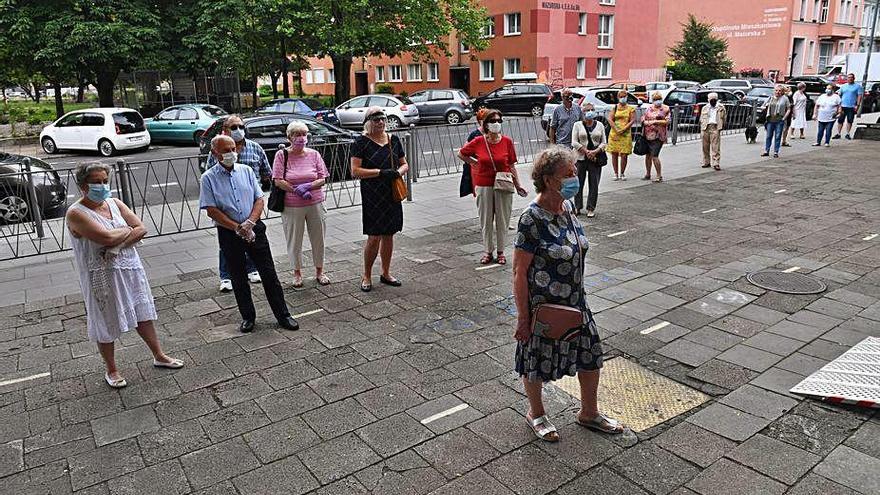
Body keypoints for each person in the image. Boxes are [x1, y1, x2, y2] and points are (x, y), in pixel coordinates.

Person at [513, 146, 624, 442]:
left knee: (591, 354)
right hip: (545, 305)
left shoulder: (568, 207)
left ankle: (589, 412)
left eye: (575, 172)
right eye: (570, 174)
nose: (576, 178)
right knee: (536, 358)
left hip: (577, 301)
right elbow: (518, 272)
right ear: (549, 180)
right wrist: (523, 318)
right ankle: (536, 413)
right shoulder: (531, 219)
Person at [66, 162, 183, 388]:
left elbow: (142, 228)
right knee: (105, 321)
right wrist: (123, 234)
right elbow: (107, 238)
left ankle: (159, 355)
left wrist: (117, 246)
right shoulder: (76, 213)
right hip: (101, 277)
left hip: (130, 268)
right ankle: (112, 369)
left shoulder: (115, 203)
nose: (102, 186)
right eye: (96, 182)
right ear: (83, 186)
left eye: (104, 181)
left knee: (142, 313)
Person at [200, 135, 299, 333]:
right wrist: (237, 227)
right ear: (215, 153)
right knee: (238, 277)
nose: (231, 153)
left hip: (254, 227)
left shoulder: (245, 171)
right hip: (229, 233)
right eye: (226, 150)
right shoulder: (208, 178)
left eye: (233, 149)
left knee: (269, 273)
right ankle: (248, 317)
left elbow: (259, 199)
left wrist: (250, 223)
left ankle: (283, 314)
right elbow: (211, 209)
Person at [207, 115, 272, 292]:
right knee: (227, 244)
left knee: (252, 238)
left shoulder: (255, 148)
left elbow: (267, 172)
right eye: (233, 127)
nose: (238, 130)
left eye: (240, 126)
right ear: (226, 130)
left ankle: (252, 269)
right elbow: (210, 174)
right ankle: (226, 276)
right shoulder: (217, 149)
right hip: (227, 208)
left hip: (252, 205)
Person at [457, 109, 528, 266]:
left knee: (503, 220)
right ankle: (488, 251)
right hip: (484, 184)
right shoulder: (479, 141)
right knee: (486, 220)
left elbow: (511, 165)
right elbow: (461, 154)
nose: (496, 124)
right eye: (493, 121)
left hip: (503, 184)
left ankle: (501, 252)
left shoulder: (507, 142)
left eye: (499, 121)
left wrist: (518, 185)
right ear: (486, 124)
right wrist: (474, 162)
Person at [350, 106, 409, 292]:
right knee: (374, 236)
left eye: (383, 118)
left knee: (389, 234)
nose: (381, 122)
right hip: (372, 193)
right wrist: (380, 173)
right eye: (376, 120)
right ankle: (366, 275)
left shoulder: (393, 140)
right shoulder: (360, 143)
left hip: (391, 192)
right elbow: (355, 171)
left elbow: (404, 164)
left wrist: (397, 173)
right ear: (368, 123)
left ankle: (386, 272)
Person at [272, 120, 330, 288]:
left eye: (304, 134)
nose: (301, 138)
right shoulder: (282, 155)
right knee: (294, 240)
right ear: (289, 137)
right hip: (292, 205)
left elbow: (322, 178)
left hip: (315, 202)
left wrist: (309, 186)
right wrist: (295, 190)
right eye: (297, 135)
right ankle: (297, 272)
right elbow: (278, 180)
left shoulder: (314, 154)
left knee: (319, 239)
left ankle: (320, 270)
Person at [570, 103, 606, 217]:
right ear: (583, 112)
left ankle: (591, 208)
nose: (590, 112)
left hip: (595, 158)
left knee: (594, 184)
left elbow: (604, 142)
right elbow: (574, 142)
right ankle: (577, 207)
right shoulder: (577, 125)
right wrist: (586, 151)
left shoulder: (600, 125)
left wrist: (595, 151)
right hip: (580, 158)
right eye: (587, 110)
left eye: (592, 109)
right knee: (578, 183)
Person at [606, 90, 634, 181]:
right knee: (614, 153)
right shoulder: (615, 107)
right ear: (618, 98)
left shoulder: (631, 108)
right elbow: (610, 119)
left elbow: (632, 120)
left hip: (625, 134)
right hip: (614, 133)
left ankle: (622, 173)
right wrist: (616, 129)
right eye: (621, 96)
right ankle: (616, 173)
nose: (623, 98)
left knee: (624, 154)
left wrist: (624, 129)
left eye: (624, 96)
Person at [641, 91, 670, 182]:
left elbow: (667, 121)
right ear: (652, 100)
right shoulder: (649, 108)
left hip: (658, 135)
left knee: (655, 155)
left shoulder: (665, 109)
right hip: (647, 134)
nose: (657, 101)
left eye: (659, 99)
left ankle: (659, 175)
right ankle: (648, 174)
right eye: (655, 99)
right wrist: (644, 122)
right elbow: (643, 117)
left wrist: (655, 122)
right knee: (648, 155)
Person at [460, 108, 489, 198]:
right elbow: (463, 152)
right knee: (481, 195)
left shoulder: (493, 132)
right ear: (480, 121)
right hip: (479, 170)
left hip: (490, 168)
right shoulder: (475, 135)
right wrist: (474, 162)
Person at [761, 85, 791, 158]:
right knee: (768, 136)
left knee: (777, 136)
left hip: (779, 120)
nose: (777, 92)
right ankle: (766, 151)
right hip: (770, 120)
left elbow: (789, 109)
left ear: (782, 92)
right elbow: (763, 106)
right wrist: (764, 108)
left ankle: (776, 152)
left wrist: (784, 118)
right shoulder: (770, 98)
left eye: (779, 91)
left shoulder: (785, 99)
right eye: (776, 90)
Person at [700, 92, 727, 171]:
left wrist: (721, 126)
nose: (712, 101)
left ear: (716, 99)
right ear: (708, 100)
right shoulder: (705, 108)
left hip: (715, 127)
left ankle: (716, 163)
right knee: (705, 146)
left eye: (714, 100)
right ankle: (706, 162)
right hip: (705, 127)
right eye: (711, 100)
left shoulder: (721, 108)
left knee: (715, 147)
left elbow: (724, 118)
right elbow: (701, 118)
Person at [833, 73, 863, 140]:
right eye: (849, 77)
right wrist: (839, 105)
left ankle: (847, 134)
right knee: (840, 120)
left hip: (851, 106)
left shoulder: (858, 86)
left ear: (854, 78)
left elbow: (859, 96)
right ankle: (838, 133)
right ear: (847, 78)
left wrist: (857, 105)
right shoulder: (843, 86)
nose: (850, 79)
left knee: (850, 120)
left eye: (851, 77)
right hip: (843, 106)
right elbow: (839, 95)